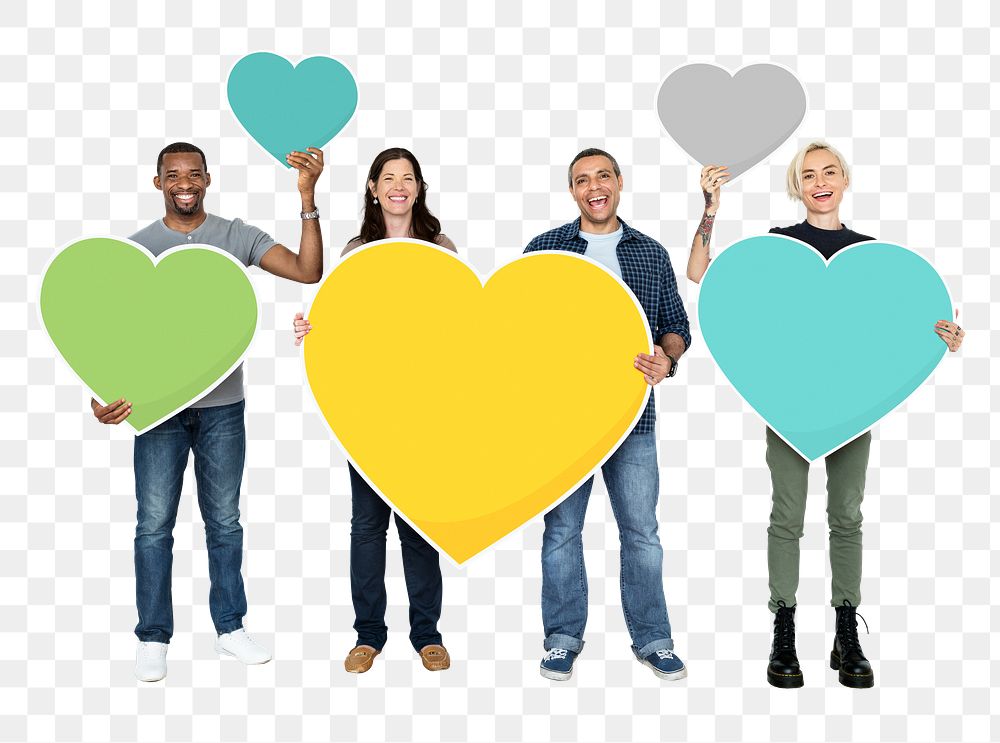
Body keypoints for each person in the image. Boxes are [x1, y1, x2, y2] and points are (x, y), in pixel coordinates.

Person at [687, 140, 965, 689]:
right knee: (786, 515)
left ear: (844, 180)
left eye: (829, 172)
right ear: (797, 185)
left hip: (854, 404)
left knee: (847, 515)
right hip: (788, 402)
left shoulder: (872, 255)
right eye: (808, 174)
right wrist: (711, 208)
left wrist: (945, 339)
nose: (820, 181)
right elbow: (703, 276)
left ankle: (846, 630)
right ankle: (783, 627)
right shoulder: (775, 247)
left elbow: (897, 327)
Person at [91, 141, 325, 682]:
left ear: (208, 179)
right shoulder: (136, 249)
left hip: (223, 408)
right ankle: (153, 636)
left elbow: (307, 271)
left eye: (193, 173)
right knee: (153, 526)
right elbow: (104, 342)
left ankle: (230, 628)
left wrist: (307, 198)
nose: (184, 182)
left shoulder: (234, 236)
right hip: (156, 412)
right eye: (172, 175)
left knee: (225, 522)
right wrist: (100, 397)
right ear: (158, 183)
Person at [519, 147, 690, 682]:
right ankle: (562, 638)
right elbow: (515, 329)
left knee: (641, 532)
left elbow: (675, 326)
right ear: (572, 191)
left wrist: (668, 358)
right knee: (561, 532)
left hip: (632, 420)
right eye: (581, 180)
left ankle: (654, 639)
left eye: (602, 177)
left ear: (619, 182)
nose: (593, 187)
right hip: (561, 422)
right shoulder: (545, 250)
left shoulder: (651, 253)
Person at [294, 147, 454, 674]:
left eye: (408, 178)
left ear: (419, 187)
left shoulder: (440, 247)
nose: (399, 186)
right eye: (389, 178)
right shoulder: (356, 250)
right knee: (367, 527)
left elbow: (458, 330)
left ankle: (427, 634)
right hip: (367, 410)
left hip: (428, 412)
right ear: (372, 187)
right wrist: (313, 335)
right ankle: (368, 635)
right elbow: (344, 327)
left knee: (418, 527)